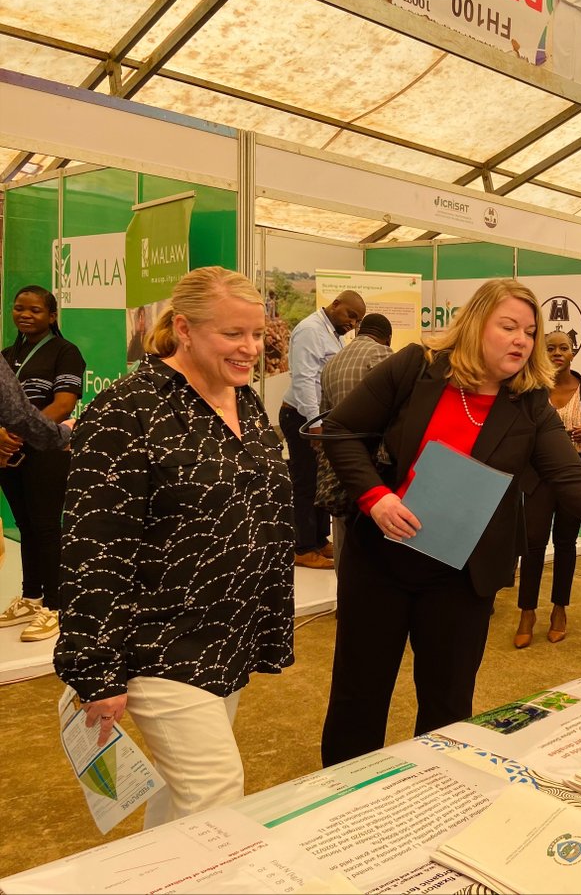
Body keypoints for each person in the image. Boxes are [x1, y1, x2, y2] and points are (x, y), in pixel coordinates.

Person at [320, 278, 581, 766]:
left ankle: (431, 796)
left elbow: (569, 475)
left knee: (447, 708)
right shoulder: (416, 368)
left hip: (461, 576)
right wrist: (375, 496)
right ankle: (340, 800)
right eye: (508, 326)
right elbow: (339, 429)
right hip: (381, 561)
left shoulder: (530, 402)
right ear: (473, 325)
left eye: (529, 332)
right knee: (358, 701)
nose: (521, 341)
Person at [55, 266, 294, 829]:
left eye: (256, 335)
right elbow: (95, 547)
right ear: (183, 328)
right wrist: (96, 669)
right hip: (158, 640)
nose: (250, 349)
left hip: (224, 636)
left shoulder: (246, 402)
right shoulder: (127, 410)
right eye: (233, 334)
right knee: (215, 791)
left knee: (180, 797)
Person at [513, 330, 581, 648]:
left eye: (564, 347)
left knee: (565, 543)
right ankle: (527, 612)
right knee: (532, 545)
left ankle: (559, 609)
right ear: (541, 352)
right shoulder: (530, 390)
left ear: (573, 352)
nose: (558, 352)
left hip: (574, 478)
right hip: (537, 479)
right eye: (550, 348)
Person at [0, 285, 85, 643]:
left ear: (51, 316)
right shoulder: (5, 354)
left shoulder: (65, 352)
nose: (25, 315)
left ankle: (55, 605)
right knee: (25, 526)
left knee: (47, 527)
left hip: (46, 452)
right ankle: (31, 596)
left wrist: (20, 435)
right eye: (19, 309)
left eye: (35, 310)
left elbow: (63, 404)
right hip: (5, 452)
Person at [280, 289, 366, 570]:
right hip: (302, 419)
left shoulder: (332, 334)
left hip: (318, 420)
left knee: (319, 482)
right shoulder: (310, 330)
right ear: (335, 304)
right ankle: (302, 547)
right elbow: (304, 379)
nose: (352, 324)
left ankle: (317, 539)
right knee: (305, 483)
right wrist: (314, 424)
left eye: (357, 321)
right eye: (350, 315)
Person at [316, 312, 393, 570]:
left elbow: (325, 416)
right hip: (373, 463)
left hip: (339, 460)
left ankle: (344, 596)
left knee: (341, 529)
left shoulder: (331, 364)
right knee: (372, 535)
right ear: (387, 338)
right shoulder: (382, 355)